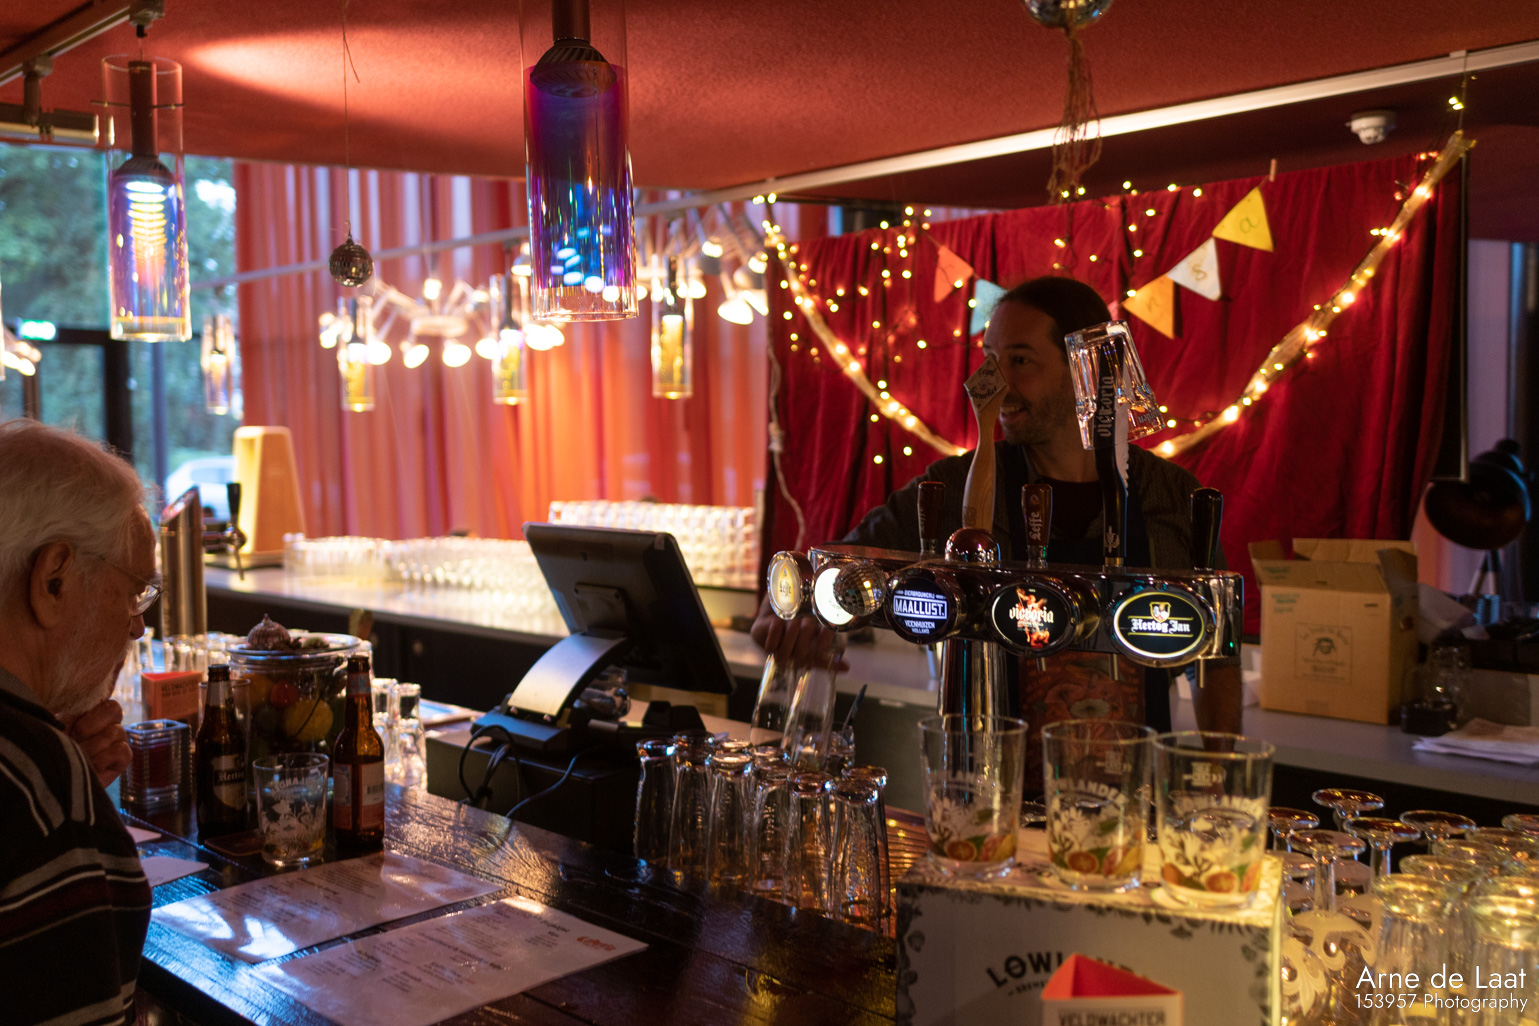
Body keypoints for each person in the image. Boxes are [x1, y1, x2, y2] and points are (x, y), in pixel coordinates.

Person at [753, 276, 1242, 753]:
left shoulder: (1171, 496)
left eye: (1020, 360)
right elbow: (841, 567)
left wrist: (1219, 771)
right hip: (985, 786)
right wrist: (793, 605)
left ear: (1088, 371)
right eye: (990, 360)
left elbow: (1214, 659)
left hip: (1131, 791)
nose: (994, 383)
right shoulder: (953, 487)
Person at [0, 418, 156, 1026]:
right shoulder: (40, 779)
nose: (137, 626)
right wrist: (55, 786)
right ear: (53, 580)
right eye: (134, 592)